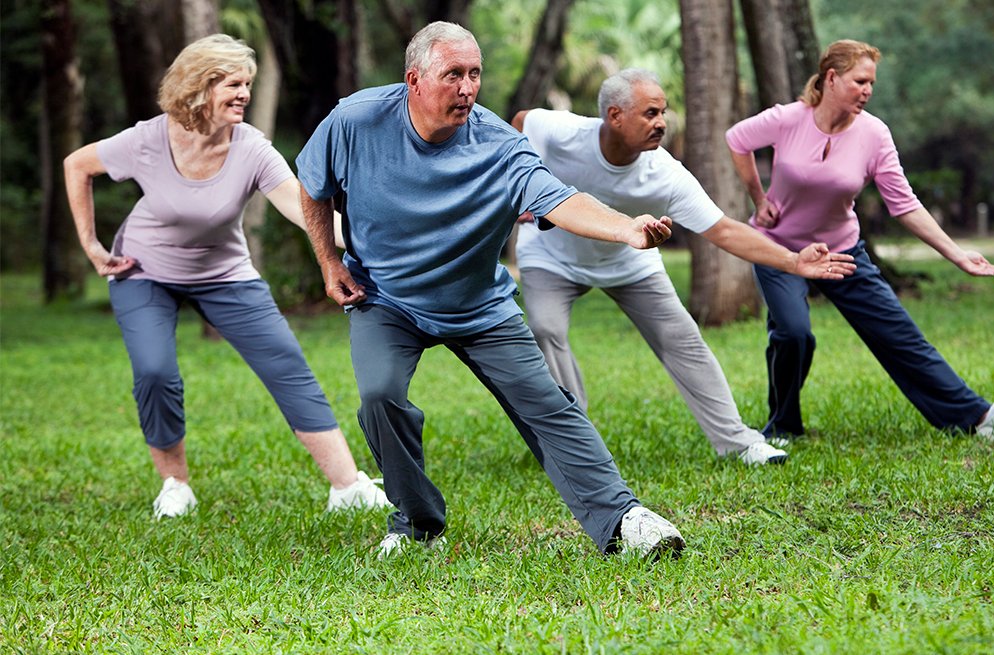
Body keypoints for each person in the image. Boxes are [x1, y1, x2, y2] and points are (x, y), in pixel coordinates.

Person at [296, 22, 686, 559]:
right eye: (453, 74)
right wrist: (328, 261)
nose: (467, 88)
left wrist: (626, 228)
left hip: (477, 304)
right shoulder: (356, 121)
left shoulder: (500, 145)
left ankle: (623, 519)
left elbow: (560, 198)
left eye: (475, 74)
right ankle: (416, 523)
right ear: (413, 79)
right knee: (379, 395)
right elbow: (312, 185)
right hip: (384, 296)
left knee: (549, 405)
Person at [63, 34, 390, 519]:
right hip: (144, 270)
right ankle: (175, 484)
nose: (244, 94)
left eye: (248, 85)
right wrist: (91, 244)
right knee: (155, 372)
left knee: (287, 366)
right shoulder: (148, 139)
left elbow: (305, 210)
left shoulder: (252, 149)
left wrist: (379, 239)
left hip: (224, 273)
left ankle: (347, 485)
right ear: (199, 86)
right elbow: (77, 164)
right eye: (233, 84)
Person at [510, 69, 857, 467]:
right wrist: (522, 187)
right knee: (546, 329)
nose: (662, 123)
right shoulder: (563, 131)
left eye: (664, 112)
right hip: (551, 256)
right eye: (650, 113)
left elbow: (725, 231)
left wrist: (794, 261)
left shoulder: (665, 174)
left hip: (629, 261)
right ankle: (574, 444)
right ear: (614, 115)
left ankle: (739, 442)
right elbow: (522, 121)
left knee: (684, 340)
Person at [724, 39, 994, 444]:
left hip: (842, 251)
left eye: (872, 83)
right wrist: (759, 198)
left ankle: (980, 418)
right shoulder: (788, 119)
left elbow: (904, 204)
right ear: (832, 78)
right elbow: (737, 140)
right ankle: (783, 426)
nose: (868, 91)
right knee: (793, 333)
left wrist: (957, 255)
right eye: (860, 81)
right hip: (779, 249)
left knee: (899, 335)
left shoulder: (874, 134)